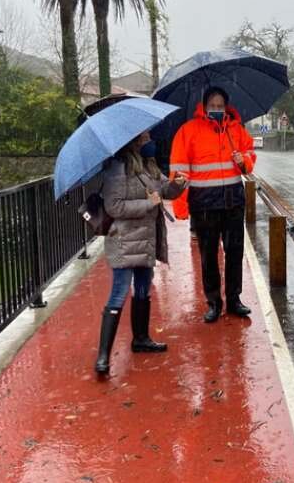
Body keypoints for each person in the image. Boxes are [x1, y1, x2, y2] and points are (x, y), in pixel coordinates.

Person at [95, 131, 188, 374]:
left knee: (144, 290)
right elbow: (113, 206)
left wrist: (177, 185)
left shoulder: (150, 165)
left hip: (146, 239)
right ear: (134, 141)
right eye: (145, 138)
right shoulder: (118, 168)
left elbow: (163, 191)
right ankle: (103, 356)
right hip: (125, 241)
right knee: (119, 293)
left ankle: (141, 339)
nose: (150, 141)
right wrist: (150, 203)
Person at [169, 86, 256, 323]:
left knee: (235, 252)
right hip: (204, 204)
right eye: (212, 106)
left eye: (220, 106)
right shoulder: (188, 131)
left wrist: (243, 160)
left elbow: (249, 161)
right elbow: (179, 170)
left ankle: (234, 300)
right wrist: (180, 206)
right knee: (208, 256)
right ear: (204, 106)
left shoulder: (236, 130)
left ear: (226, 107)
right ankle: (214, 302)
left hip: (233, 202)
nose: (216, 110)